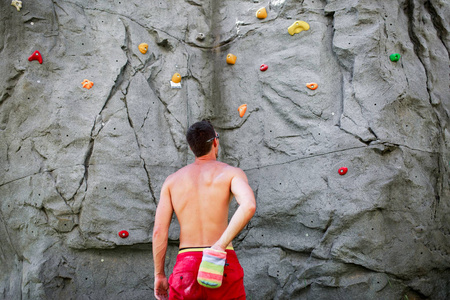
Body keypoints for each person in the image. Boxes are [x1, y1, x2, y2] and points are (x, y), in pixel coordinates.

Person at [152, 120, 256, 300]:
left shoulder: (172, 181)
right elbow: (248, 205)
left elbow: (159, 232)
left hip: (187, 266)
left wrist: (159, 274)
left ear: (192, 149)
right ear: (215, 142)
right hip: (222, 262)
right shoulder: (231, 173)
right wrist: (220, 245)